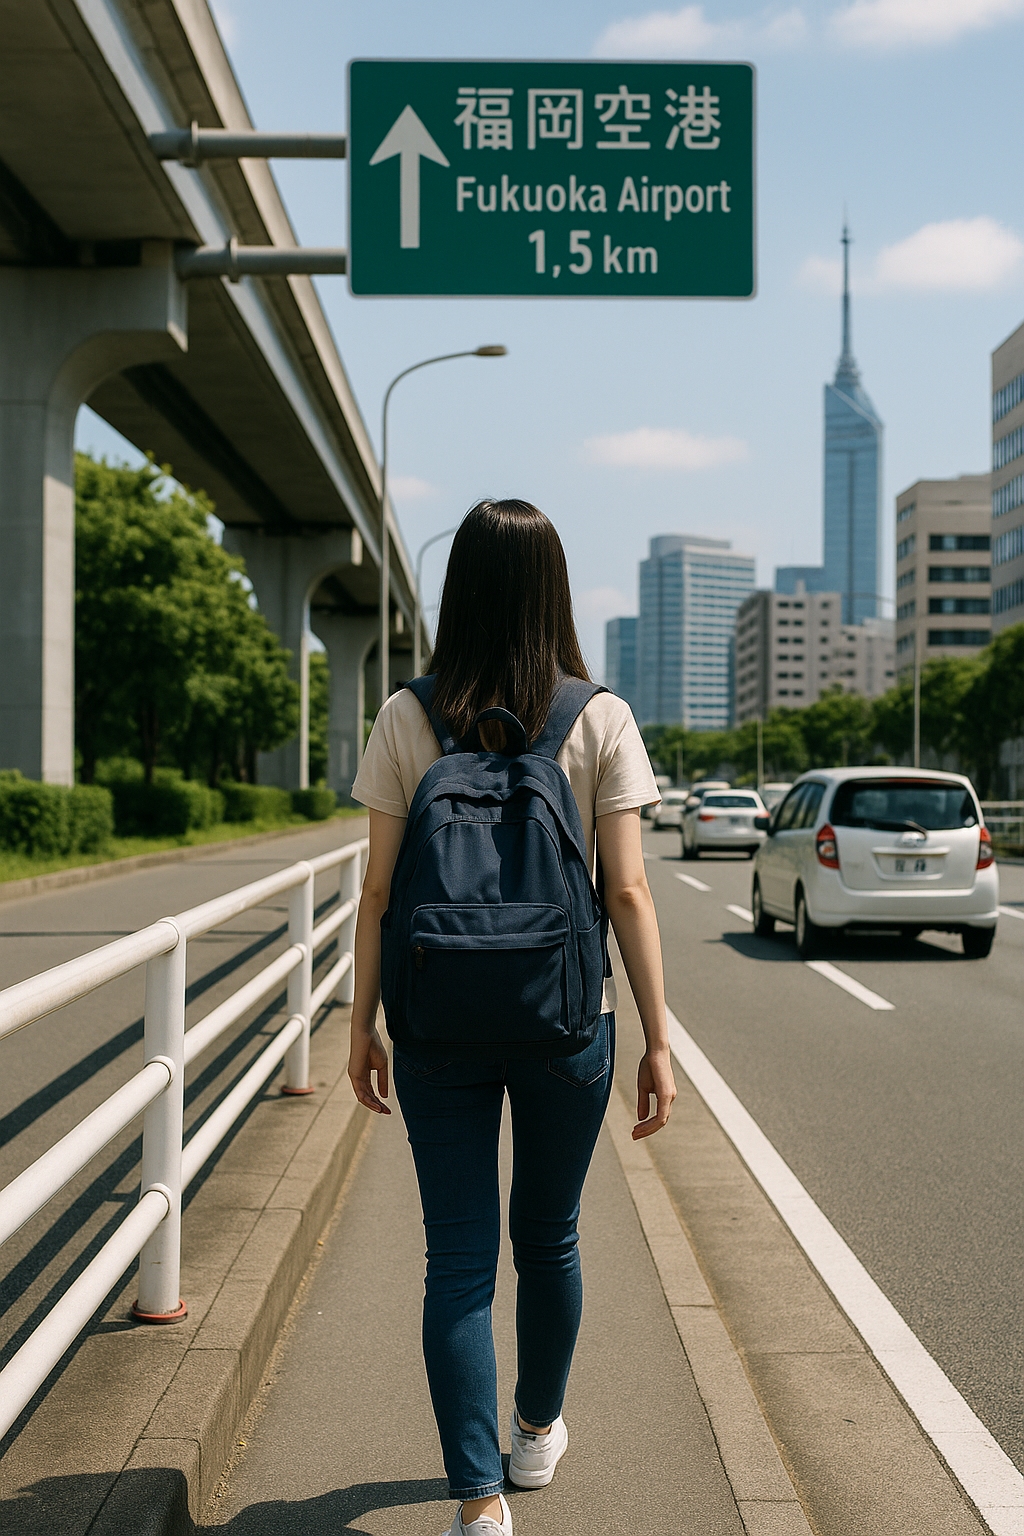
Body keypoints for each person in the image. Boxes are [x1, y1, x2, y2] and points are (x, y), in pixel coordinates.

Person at [348, 499, 676, 1536]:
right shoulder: (599, 716)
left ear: (462, 590)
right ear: (553, 589)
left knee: (456, 1261)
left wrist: (360, 1026)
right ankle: (533, 1432)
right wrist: (658, 1041)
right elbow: (625, 893)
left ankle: (478, 1506)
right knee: (550, 1235)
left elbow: (375, 893)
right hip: (567, 1024)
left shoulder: (409, 713)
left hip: (436, 1021)